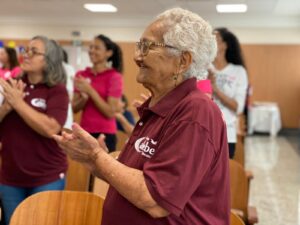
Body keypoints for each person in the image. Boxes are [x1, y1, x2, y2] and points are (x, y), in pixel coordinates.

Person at [54, 8, 230, 225]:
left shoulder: (196, 112)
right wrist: (97, 160)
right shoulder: (159, 107)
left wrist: (96, 158)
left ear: (183, 61)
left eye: (147, 47)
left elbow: (155, 200)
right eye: (140, 46)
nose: (137, 56)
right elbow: (134, 177)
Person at [0, 36, 69, 225]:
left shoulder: (57, 90)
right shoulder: (12, 85)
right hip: (10, 177)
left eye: (34, 51)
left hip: (46, 176)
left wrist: (17, 103)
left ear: (49, 60)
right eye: (26, 50)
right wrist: (6, 107)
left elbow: (51, 128)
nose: (26, 55)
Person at [72, 34, 123, 152]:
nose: (92, 51)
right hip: (85, 132)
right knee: (87, 170)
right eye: (90, 47)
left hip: (106, 134)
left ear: (108, 53)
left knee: (104, 170)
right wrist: (83, 99)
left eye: (97, 48)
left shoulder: (114, 77)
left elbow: (110, 112)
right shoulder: (81, 74)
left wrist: (90, 90)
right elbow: (74, 108)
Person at [207, 27, 248, 159]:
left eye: (216, 39)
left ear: (225, 45)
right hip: (203, 131)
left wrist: (214, 88)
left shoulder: (238, 71)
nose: (211, 42)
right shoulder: (204, 68)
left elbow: (238, 107)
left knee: (221, 177)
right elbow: (198, 99)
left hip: (226, 134)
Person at [62, 48, 76, 129]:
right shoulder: (69, 68)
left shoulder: (67, 68)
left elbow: (69, 96)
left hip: (64, 112)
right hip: (65, 114)